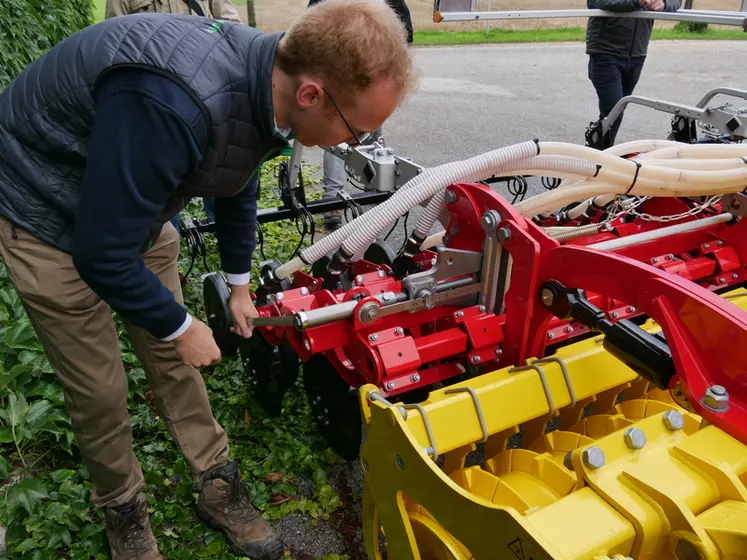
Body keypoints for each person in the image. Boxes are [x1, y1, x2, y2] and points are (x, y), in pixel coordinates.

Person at [0, 1, 415, 558]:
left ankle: (216, 484)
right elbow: (100, 254)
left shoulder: (266, 81)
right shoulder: (172, 103)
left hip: (131, 206)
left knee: (174, 357)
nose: (352, 144)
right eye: (356, 128)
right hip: (45, 210)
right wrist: (179, 323)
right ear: (312, 94)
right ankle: (122, 508)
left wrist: (239, 285)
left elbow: (234, 174)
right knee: (100, 387)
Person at [105, 0, 245, 231]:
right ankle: (168, 232)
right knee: (161, 167)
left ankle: (221, 222)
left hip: (209, 84)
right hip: (158, 93)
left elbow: (232, 26)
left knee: (221, 155)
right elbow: (117, 40)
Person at [308, 0, 414, 235]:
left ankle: (348, 198)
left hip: (366, 75)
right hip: (349, 74)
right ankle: (343, 200)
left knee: (350, 135)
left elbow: (403, 33)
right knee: (346, 135)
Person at [585, 0, 681, 145]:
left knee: (616, 112)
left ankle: (598, 155)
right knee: (613, 112)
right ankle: (598, 157)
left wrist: (664, 3)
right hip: (606, 52)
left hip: (637, 54)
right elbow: (594, 2)